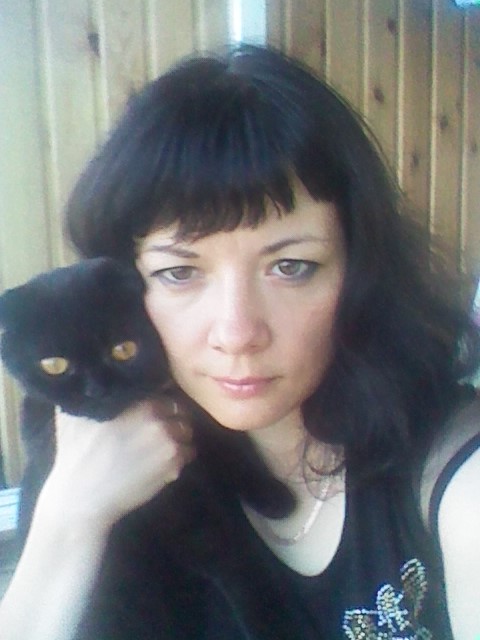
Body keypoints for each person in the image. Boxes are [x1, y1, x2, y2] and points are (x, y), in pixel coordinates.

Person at [1, 44, 479, 640]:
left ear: (359, 271)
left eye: (291, 267)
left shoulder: (451, 475)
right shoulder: (113, 460)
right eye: (180, 273)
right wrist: (68, 521)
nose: (237, 334)